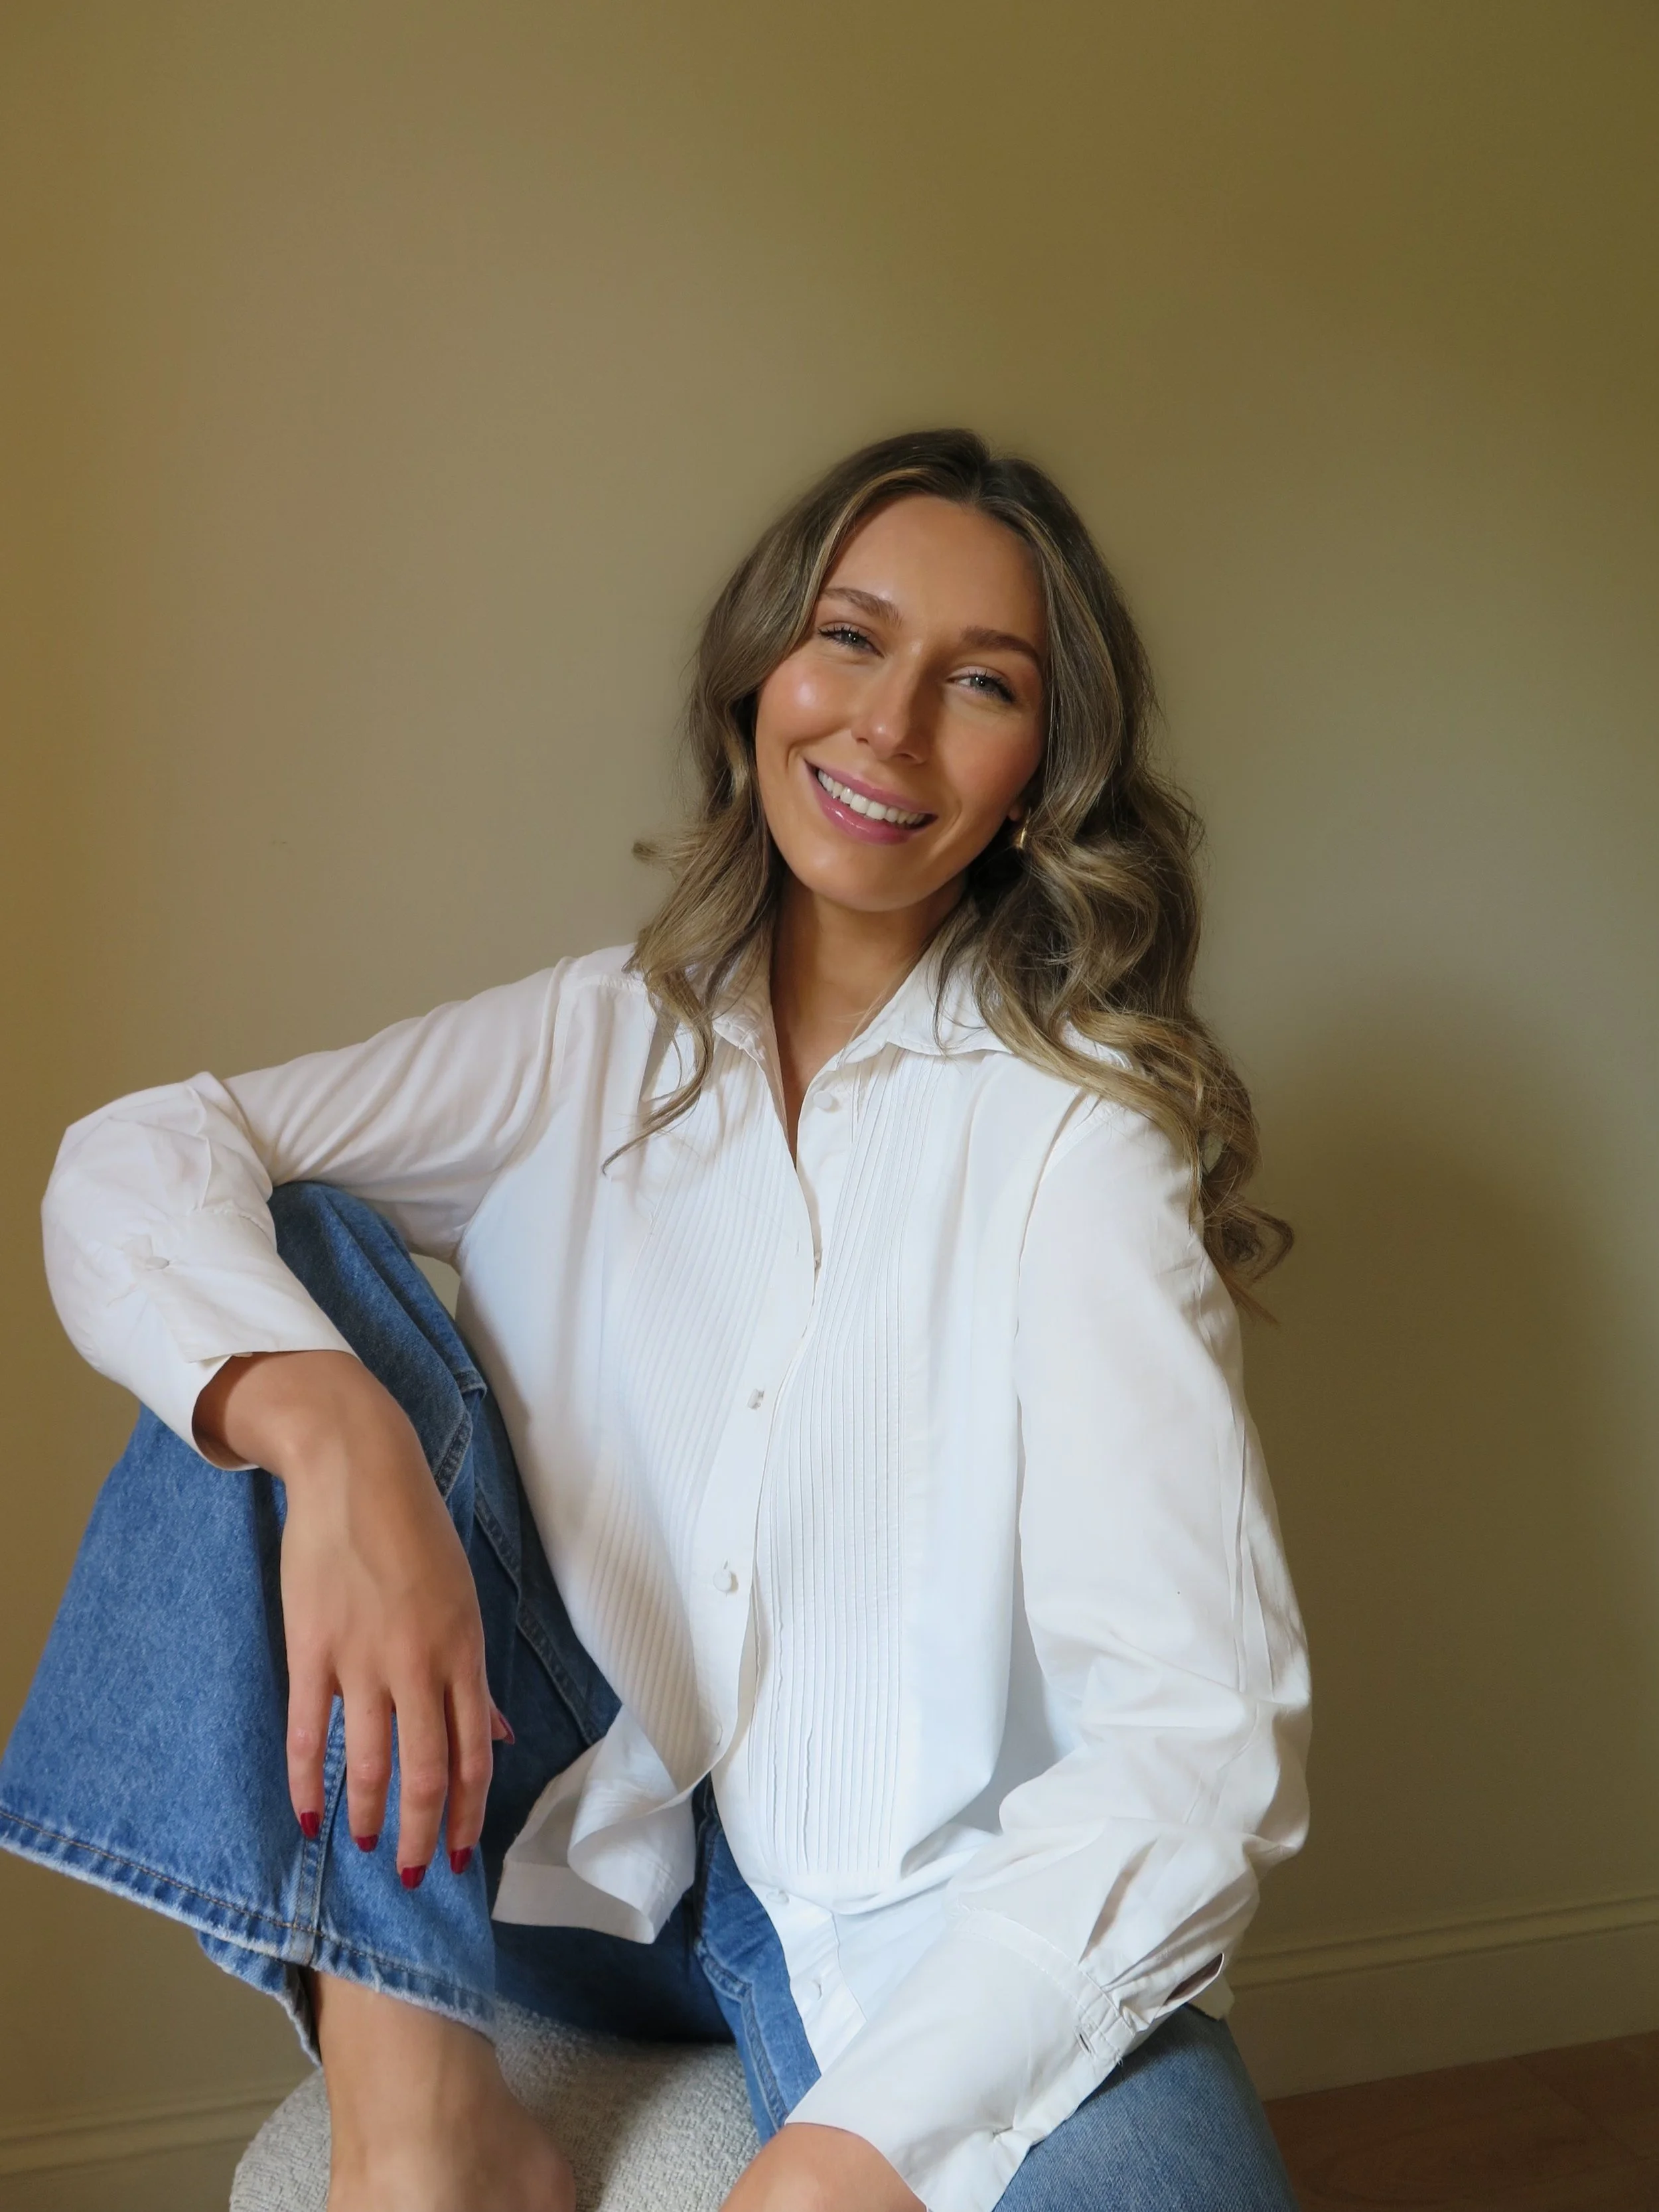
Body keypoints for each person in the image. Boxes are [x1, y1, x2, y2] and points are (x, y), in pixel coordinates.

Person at [1, 429, 1310, 2212]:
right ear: (760, 673)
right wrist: (340, 1436)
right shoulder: (591, 1037)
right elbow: (139, 1157)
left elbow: (1193, 1735)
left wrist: (850, 2155)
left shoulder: (1077, 1135)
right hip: (548, 1846)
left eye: (980, 683)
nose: (888, 726)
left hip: (912, 1910)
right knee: (279, 1261)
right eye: (848, 638)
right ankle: (420, 2136)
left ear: (1038, 775)